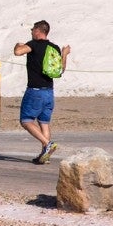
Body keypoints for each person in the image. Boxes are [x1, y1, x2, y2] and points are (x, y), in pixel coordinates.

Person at [14, 20, 71, 164]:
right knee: (44, 123)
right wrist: (64, 54)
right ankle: (44, 156)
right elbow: (60, 70)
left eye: (33, 29)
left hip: (35, 91)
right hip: (49, 92)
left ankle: (47, 144)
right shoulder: (54, 48)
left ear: (38, 31)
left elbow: (18, 52)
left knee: (26, 121)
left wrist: (17, 45)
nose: (31, 31)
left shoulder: (33, 44)